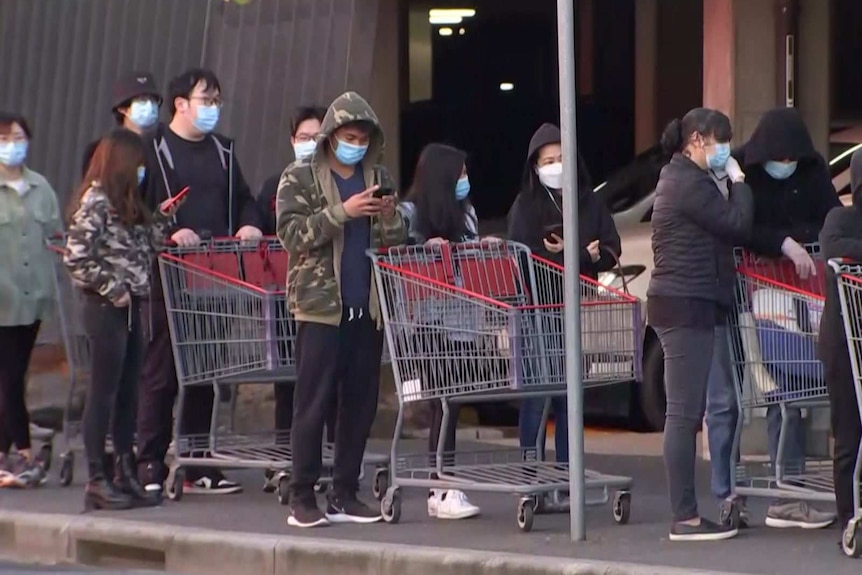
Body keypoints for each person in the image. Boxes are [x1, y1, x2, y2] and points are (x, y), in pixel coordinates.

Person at [276, 91, 407, 528]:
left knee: (359, 403)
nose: (356, 144)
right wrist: (342, 212)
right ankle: (302, 494)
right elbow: (293, 235)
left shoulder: (377, 175)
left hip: (365, 308)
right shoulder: (300, 178)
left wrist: (387, 214)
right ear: (331, 136)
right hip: (320, 308)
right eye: (348, 136)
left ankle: (345, 490)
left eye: (363, 138)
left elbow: (396, 240)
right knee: (312, 404)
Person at [705, 107, 838, 530]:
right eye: (779, 158)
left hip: (804, 292)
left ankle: (789, 488)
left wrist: (814, 243)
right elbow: (740, 228)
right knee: (756, 392)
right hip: (757, 292)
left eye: (792, 158)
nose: (786, 165)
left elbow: (832, 217)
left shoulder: (813, 172)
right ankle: (746, 489)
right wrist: (783, 243)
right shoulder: (744, 175)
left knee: (795, 387)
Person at [136, 68, 263, 497]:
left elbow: (244, 198)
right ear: (181, 105)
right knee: (162, 372)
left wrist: (249, 225)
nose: (212, 109)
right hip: (167, 276)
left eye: (216, 101)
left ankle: (197, 461)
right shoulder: (151, 151)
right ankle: (149, 460)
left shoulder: (223, 152)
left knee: (205, 370)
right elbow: (134, 208)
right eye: (205, 100)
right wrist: (167, 232)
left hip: (216, 274)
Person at [65, 130, 184, 510]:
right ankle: (97, 477)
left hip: (134, 302)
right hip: (106, 307)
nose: (143, 171)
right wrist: (111, 287)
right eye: (138, 164)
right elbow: (77, 257)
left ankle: (125, 471)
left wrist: (162, 220)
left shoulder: (126, 203)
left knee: (130, 390)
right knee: (104, 392)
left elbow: (143, 249)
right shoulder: (96, 202)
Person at [649, 108, 753, 541]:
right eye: (718, 142)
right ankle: (685, 517)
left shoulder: (683, 179)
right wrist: (740, 182)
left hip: (688, 302)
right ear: (696, 140)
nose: (722, 150)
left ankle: (687, 514)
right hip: (684, 304)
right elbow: (735, 224)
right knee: (684, 413)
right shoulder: (685, 182)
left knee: (685, 411)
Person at [508, 123, 621, 470]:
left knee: (570, 398)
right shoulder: (525, 207)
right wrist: (577, 254)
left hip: (576, 312)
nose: (556, 166)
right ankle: (532, 473)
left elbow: (610, 248)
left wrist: (578, 254)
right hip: (539, 312)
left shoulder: (588, 201)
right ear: (535, 166)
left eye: (561, 158)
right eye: (548, 160)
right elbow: (524, 259)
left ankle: (566, 475)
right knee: (538, 396)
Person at [398, 143, 483, 521]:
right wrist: (423, 249)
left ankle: (445, 482)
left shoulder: (466, 215)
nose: (465, 181)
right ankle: (441, 485)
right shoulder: (411, 214)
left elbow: (472, 258)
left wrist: (485, 250)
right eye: (460, 174)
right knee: (442, 401)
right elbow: (396, 259)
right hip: (428, 322)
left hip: (463, 323)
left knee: (453, 401)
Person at [256, 105, 336, 492]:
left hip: (326, 296)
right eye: (304, 137)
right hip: (284, 292)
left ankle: (331, 458)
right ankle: (283, 457)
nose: (311, 143)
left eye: (317, 136)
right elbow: (260, 224)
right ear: (292, 141)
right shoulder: (277, 184)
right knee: (288, 380)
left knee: (326, 381)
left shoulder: (337, 181)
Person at [0, 112, 62, 489]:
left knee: (13, 375)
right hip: (1, 300)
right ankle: (22, 449)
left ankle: (7, 452)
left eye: (19, 137)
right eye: (5, 138)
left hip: (33, 300)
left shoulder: (41, 188)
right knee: (8, 378)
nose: (13, 145)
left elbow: (56, 237)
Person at [820, 149, 862, 544]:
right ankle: (849, 516)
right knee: (848, 432)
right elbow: (834, 248)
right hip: (845, 344)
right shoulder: (841, 219)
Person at [81, 72, 162, 177]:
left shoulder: (161, 149)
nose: (150, 106)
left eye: (153, 100)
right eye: (142, 100)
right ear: (122, 108)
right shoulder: (103, 149)